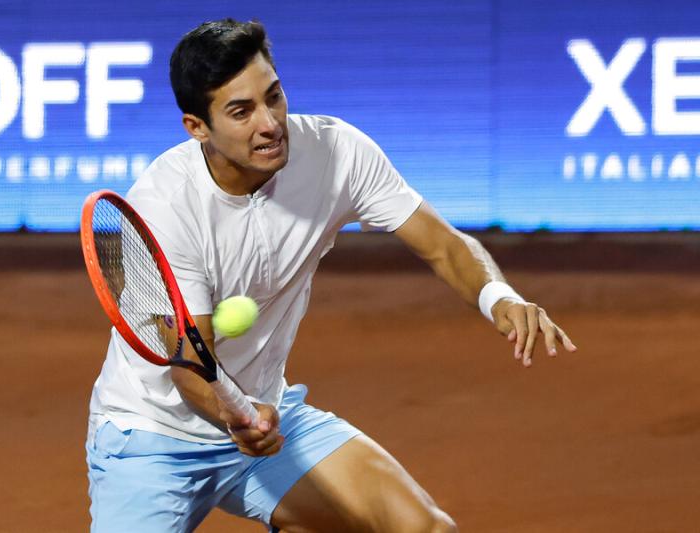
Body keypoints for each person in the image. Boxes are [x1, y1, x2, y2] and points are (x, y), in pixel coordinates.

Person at [85, 18, 577, 533]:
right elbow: (191, 366)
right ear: (197, 127)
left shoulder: (335, 152)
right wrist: (238, 415)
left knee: (424, 528)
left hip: (268, 422)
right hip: (152, 439)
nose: (270, 123)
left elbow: (443, 244)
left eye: (274, 96)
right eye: (241, 111)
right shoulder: (163, 206)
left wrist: (499, 298)